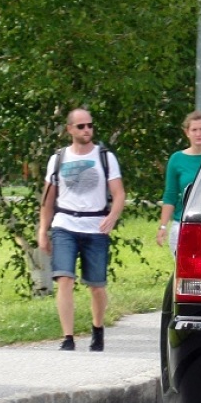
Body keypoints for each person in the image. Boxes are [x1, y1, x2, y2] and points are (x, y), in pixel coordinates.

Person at [38, 108, 126, 351]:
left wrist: (113, 216)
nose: (87, 130)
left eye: (89, 125)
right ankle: (68, 338)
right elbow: (47, 199)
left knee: (96, 286)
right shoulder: (58, 159)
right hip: (65, 224)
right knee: (64, 279)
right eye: (81, 126)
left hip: (95, 227)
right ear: (69, 130)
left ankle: (97, 329)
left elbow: (119, 194)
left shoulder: (105, 157)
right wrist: (43, 230)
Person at [155, 111, 201, 255]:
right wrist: (163, 226)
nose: (198, 134)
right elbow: (170, 195)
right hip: (183, 224)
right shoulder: (177, 159)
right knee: (185, 273)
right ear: (187, 132)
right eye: (194, 130)